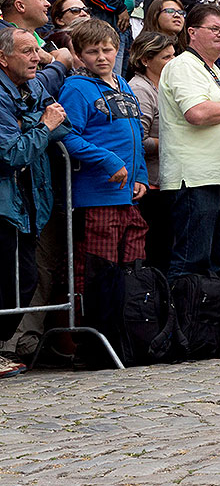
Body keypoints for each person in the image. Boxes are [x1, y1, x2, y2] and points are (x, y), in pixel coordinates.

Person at [157, 4, 220, 280]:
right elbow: (197, 113)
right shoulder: (183, 66)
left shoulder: (211, 70)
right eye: (214, 29)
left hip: (219, 177)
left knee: (212, 264)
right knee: (191, 263)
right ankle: (183, 324)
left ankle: (202, 324)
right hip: (194, 179)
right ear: (191, 33)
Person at [58, 19, 149, 300]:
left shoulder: (122, 83)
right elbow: (65, 135)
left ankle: (119, 334)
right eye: (92, 51)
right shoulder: (75, 87)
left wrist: (141, 174)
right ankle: (87, 336)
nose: (101, 57)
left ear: (118, 50)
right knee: (97, 273)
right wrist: (107, 160)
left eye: (107, 50)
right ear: (79, 55)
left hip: (127, 197)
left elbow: (135, 134)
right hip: (96, 197)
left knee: (130, 271)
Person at [0, 27, 69, 378]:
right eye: (27, 51)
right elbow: (10, 153)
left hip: (28, 201)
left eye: (37, 51)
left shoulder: (34, 85)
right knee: (13, 279)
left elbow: (62, 125)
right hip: (5, 201)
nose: (37, 58)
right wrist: (41, 126)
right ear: (3, 58)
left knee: (23, 281)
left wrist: (39, 126)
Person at [126, 30, 175, 273]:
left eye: (173, 56)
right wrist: (174, 143)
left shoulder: (167, 86)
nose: (172, 62)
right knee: (155, 255)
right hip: (151, 188)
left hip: (168, 182)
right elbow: (137, 139)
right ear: (146, 60)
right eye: (166, 57)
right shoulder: (140, 89)